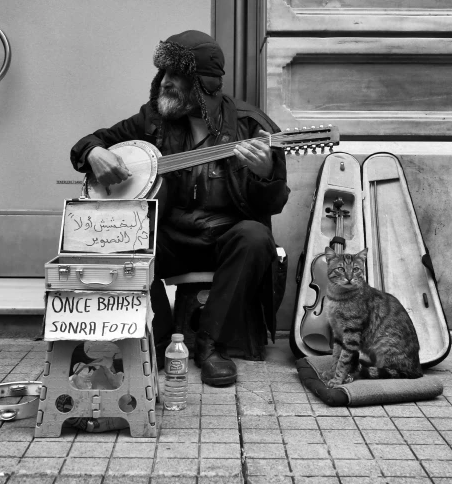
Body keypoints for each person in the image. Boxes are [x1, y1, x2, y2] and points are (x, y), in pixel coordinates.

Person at [70, 30, 289, 386]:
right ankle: (156, 336)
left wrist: (265, 174)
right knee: (126, 236)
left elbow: (273, 204)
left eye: (177, 76)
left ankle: (210, 345)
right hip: (170, 240)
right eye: (164, 74)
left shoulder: (251, 126)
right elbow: (91, 142)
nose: (165, 83)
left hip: (224, 243)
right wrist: (94, 153)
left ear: (202, 85)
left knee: (255, 236)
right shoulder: (152, 120)